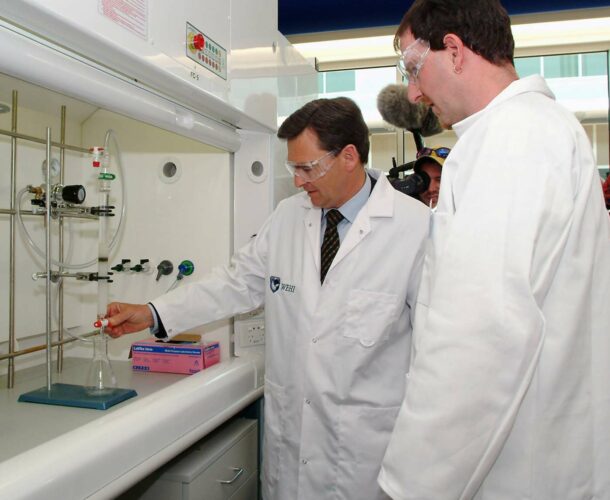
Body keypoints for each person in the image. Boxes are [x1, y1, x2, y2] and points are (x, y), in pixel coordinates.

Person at [105, 97, 430, 500]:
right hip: (291, 448)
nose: (297, 181)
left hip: (366, 457)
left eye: (307, 168)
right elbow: (235, 282)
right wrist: (153, 312)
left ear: (349, 156)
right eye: (292, 168)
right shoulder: (288, 217)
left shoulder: (415, 228)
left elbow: (435, 356)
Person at [378, 1, 610, 499]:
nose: (415, 92)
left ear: (455, 51)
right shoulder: (529, 131)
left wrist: (412, 487)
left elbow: (479, 333)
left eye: (415, 70)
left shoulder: (514, 138)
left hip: (520, 465)